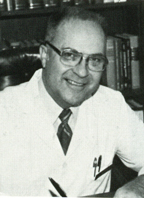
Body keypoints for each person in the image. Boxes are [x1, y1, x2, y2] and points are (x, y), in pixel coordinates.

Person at [0, 6, 144, 197]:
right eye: (70, 55)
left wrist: (138, 187)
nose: (82, 72)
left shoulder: (111, 105)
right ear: (45, 55)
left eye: (95, 60)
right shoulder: (4, 110)